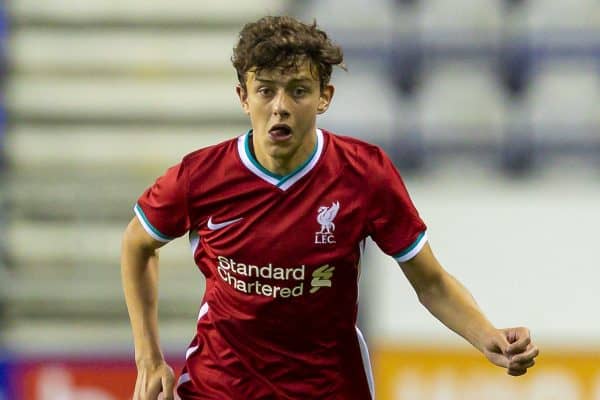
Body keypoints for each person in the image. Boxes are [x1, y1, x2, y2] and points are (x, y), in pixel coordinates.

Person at [121, 15, 539, 400]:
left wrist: (489, 337)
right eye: (265, 90)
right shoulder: (200, 177)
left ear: (325, 97)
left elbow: (430, 283)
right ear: (243, 97)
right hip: (221, 388)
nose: (280, 106)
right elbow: (137, 245)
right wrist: (148, 357)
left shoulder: (365, 174)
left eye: (298, 90)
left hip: (329, 389)